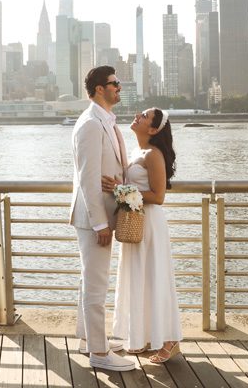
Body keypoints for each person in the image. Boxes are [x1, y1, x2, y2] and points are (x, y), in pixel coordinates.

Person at [69, 66, 136, 372]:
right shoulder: (90, 125)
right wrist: (100, 223)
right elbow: (87, 178)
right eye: (115, 83)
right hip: (94, 219)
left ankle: (87, 340)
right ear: (99, 89)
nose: (119, 87)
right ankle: (99, 352)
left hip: (105, 214)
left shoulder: (106, 121)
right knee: (96, 285)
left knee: (90, 280)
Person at [104, 107, 182, 364]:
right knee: (138, 277)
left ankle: (170, 341)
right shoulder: (136, 151)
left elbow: (158, 197)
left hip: (150, 223)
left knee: (154, 277)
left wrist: (120, 190)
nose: (138, 115)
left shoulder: (153, 154)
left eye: (145, 116)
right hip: (135, 220)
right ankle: (141, 336)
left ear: (153, 129)